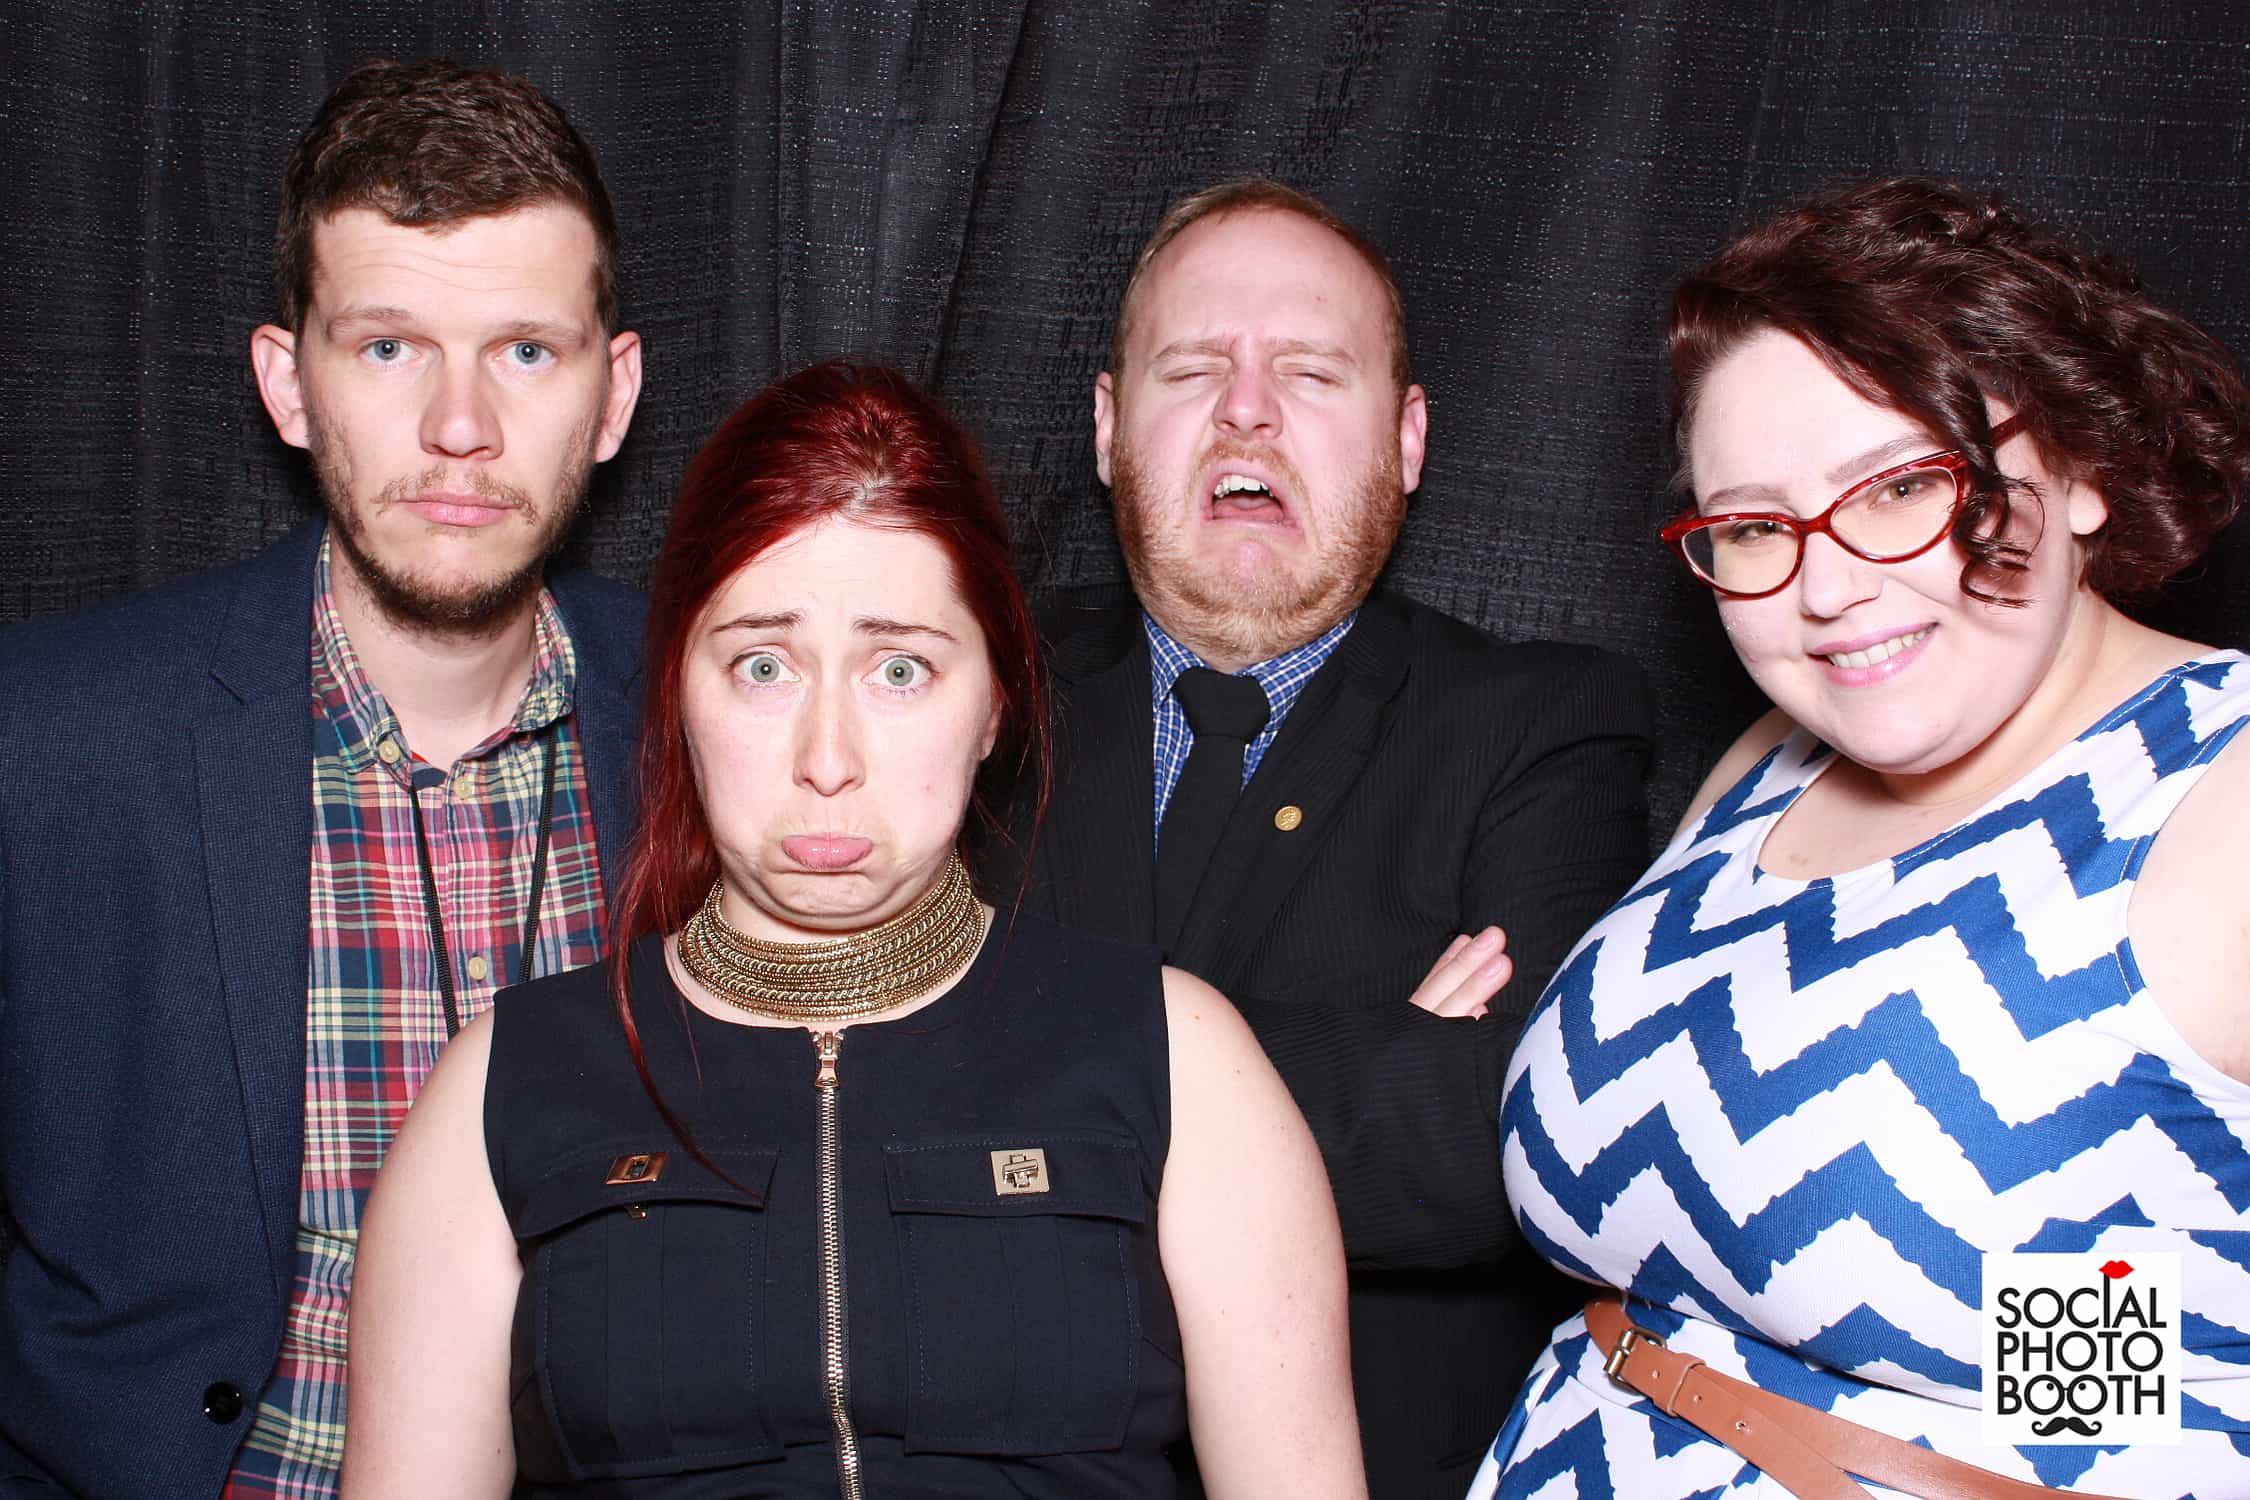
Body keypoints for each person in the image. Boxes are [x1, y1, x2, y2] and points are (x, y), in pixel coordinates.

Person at [339, 360, 1363, 1498]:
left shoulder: (1180, 1059)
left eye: (901, 669)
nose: (827, 759)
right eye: (763, 666)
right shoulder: (504, 1084)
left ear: (995, 703)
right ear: (678, 692)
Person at [1472, 177, 2250, 1499]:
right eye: (1752, 526)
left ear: (2080, 468)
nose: (1827, 589)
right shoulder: (1773, 762)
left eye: (1898, 489)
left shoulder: (2213, 794)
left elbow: (2149, 1374)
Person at [0, 60, 645, 1498]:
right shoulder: (43, 748)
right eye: (389, 346)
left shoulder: (727, 719)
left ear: (614, 397)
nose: (461, 426)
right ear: (289, 384)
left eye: (526, 351)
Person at [979, 178, 1654, 1498]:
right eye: (1193, 368)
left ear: (1406, 440)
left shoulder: (1543, 725)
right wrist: (1382, 1059)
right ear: (1109, 428)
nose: (1247, 408)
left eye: (1309, 372)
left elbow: (1505, 1149)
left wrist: (1019, 1076)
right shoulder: (964, 688)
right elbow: (844, 1088)